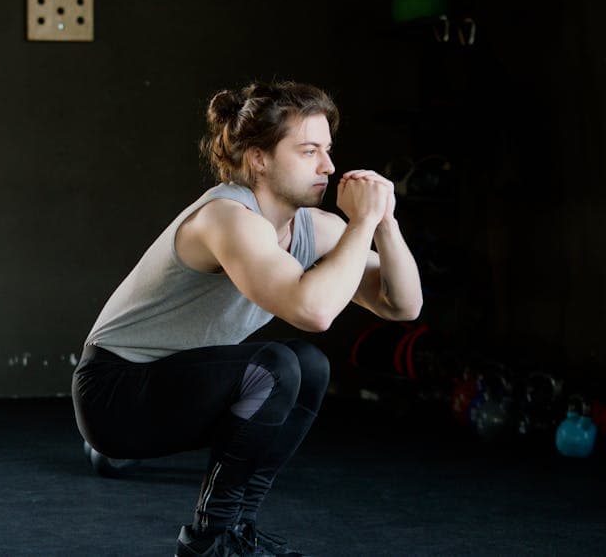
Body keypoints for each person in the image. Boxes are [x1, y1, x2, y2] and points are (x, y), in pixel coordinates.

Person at [72, 81, 424, 556]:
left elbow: (402, 306)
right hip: (113, 394)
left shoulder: (313, 228)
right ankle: (209, 538)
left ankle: (239, 528)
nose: (328, 166)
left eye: (327, 150)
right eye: (309, 151)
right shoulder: (227, 218)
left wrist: (385, 223)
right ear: (259, 159)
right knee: (275, 367)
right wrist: (360, 225)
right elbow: (314, 312)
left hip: (179, 385)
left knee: (309, 366)